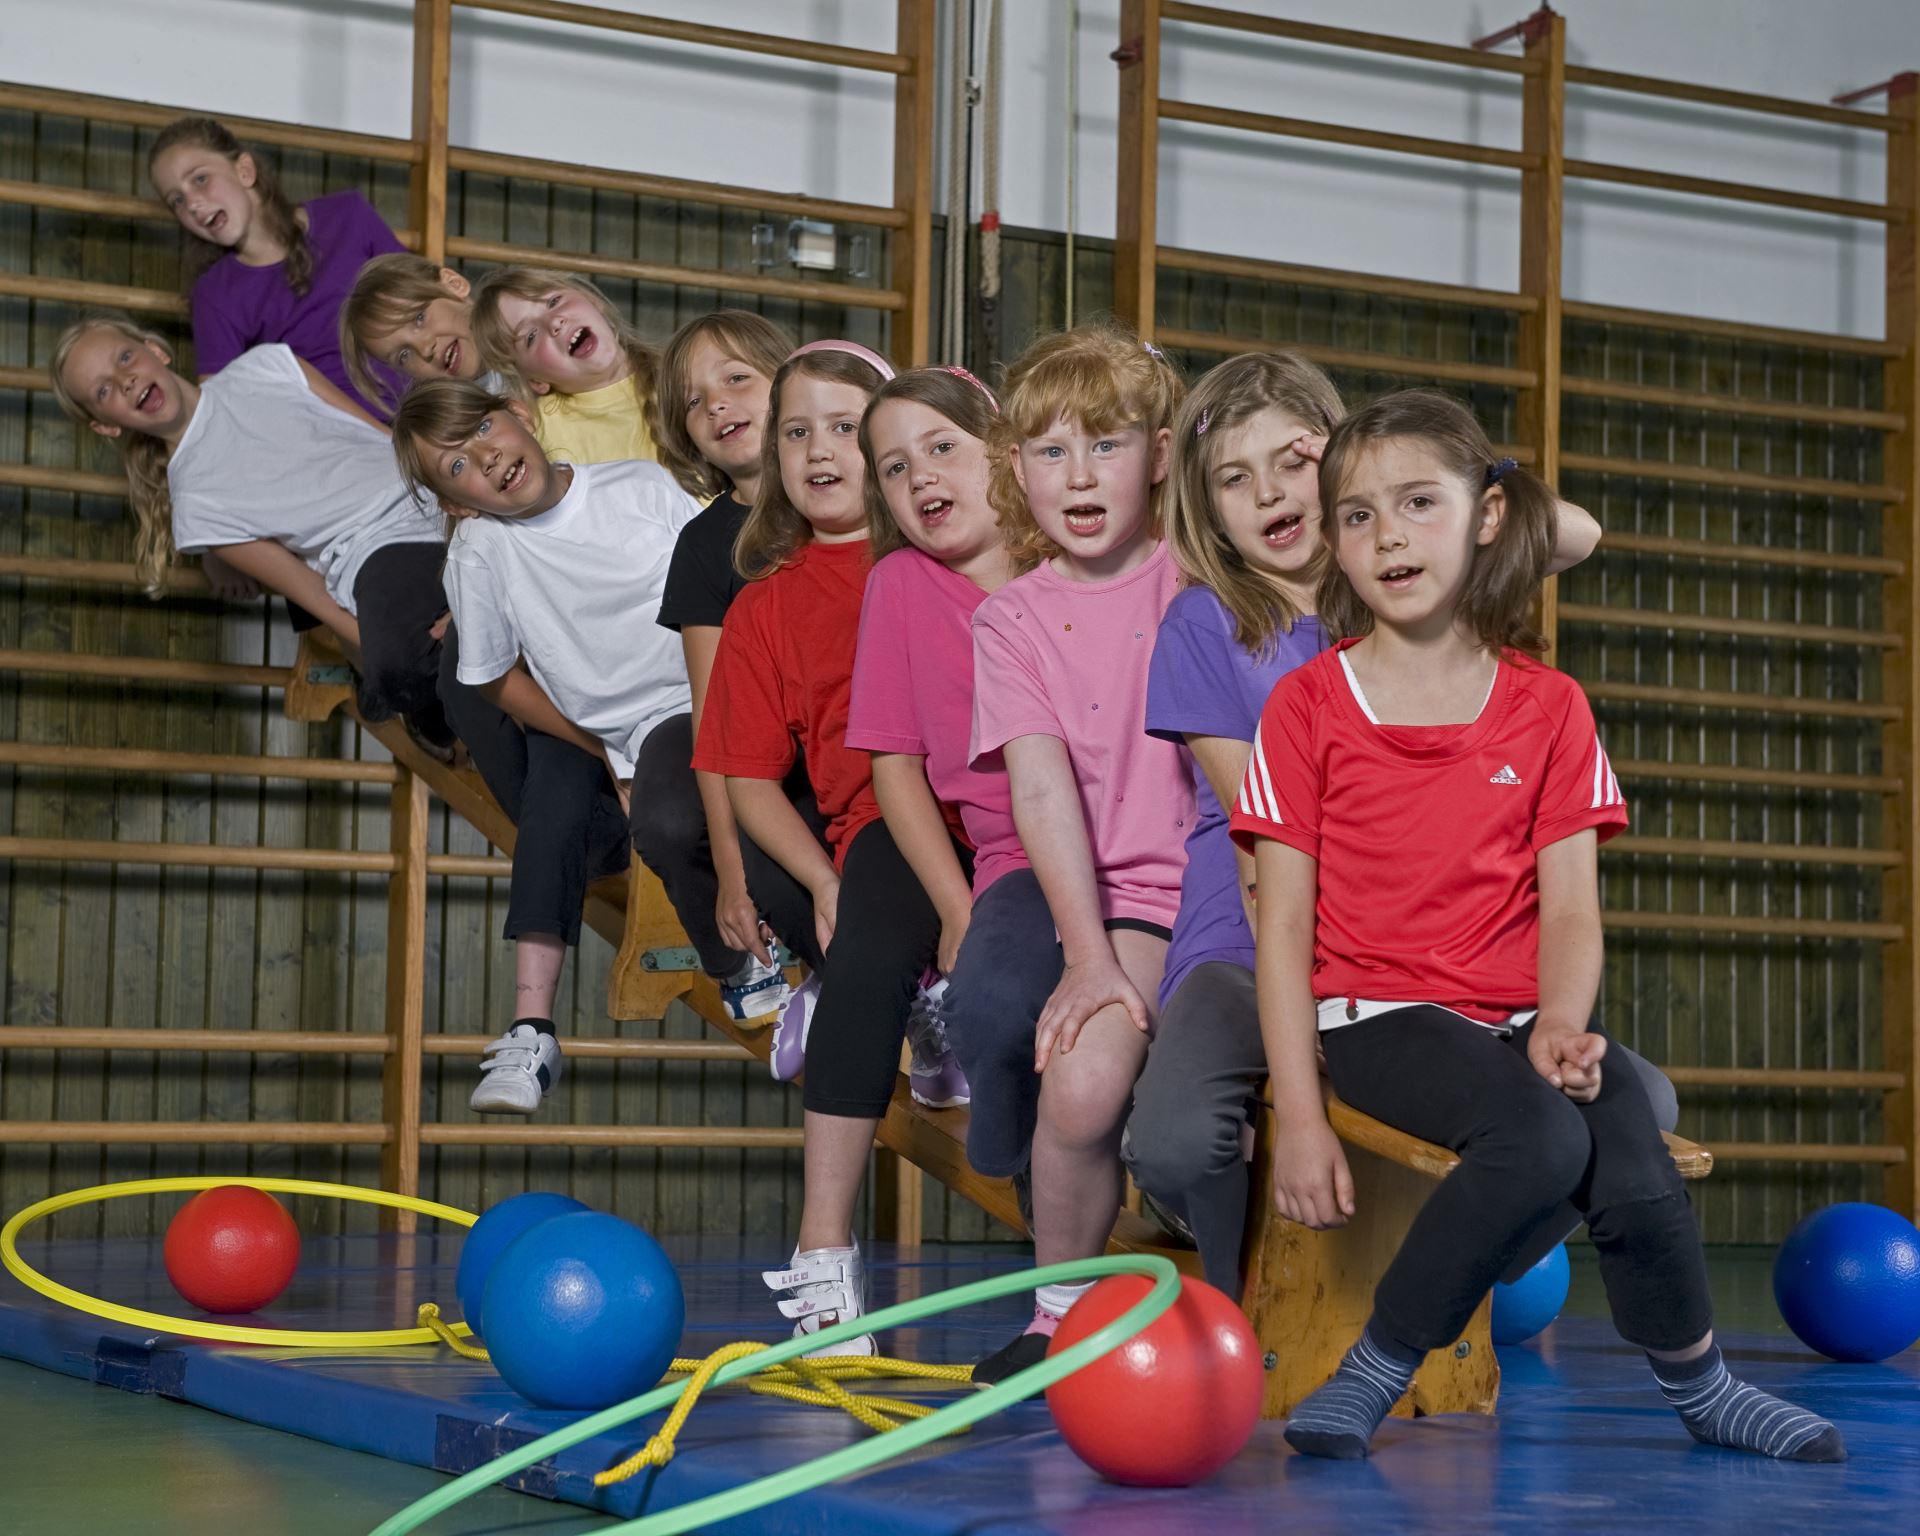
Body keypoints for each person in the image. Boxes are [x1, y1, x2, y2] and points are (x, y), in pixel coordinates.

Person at [1232, 388, 1843, 1464]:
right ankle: (1378, 1364)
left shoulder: (1549, 706)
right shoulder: (1308, 708)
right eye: (1360, 515)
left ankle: (1702, 1386)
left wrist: (1563, 1021)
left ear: (1488, 517)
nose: (1389, 536)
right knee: (1544, 1135)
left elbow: (1569, 904)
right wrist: (1298, 1111)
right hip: (1379, 1013)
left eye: (1420, 502)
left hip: (1521, 1017)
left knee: (1622, 1134)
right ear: (1333, 541)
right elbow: (1279, 928)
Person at [1126, 350, 1668, 1295]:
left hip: (1416, 963)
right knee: (1173, 1141)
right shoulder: (1207, 624)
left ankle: (1435, 1273)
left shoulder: (1398, 580)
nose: (1270, 493)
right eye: (1235, 478)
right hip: (1251, 944)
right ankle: (1230, 1296)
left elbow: (1572, 531)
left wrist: (1358, 471)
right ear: (1206, 508)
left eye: (1293, 465)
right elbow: (1270, 874)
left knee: (1642, 1105)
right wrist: (1306, 1084)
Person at [388, 378, 799, 1115]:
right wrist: (601, 748)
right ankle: (732, 961)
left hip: (723, 685)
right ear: (455, 504)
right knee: (665, 820)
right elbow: (489, 678)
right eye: (456, 468)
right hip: (651, 728)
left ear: (517, 416)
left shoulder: (639, 486)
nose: (485, 458)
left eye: (484, 430)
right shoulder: (480, 554)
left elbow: (726, 578)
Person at [692, 341, 961, 1355]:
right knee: (864, 956)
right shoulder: (767, 601)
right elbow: (744, 774)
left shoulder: (950, 548)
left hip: (1008, 817)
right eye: (794, 431)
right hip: (882, 829)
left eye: (843, 428)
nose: (815, 451)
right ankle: (822, 1257)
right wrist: (819, 876)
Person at [964, 324, 1193, 1383]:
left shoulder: (1204, 573)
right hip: (1137, 902)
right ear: (1017, 471)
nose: (1080, 473)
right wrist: (1089, 956)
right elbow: (1042, 788)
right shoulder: (1012, 619)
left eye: (1105, 443)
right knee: (1080, 1085)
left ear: (1159, 454)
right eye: (1050, 451)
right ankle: (1055, 1310)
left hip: (1246, 892)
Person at [50, 316, 451, 748]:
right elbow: (314, 595)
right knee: (410, 665)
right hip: (374, 552)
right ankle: (411, 699)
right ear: (106, 425)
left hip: (429, 494)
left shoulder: (267, 364)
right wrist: (392, 658)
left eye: (125, 358)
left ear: (156, 350)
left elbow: (381, 438)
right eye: (104, 390)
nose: (125, 381)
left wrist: (450, 482)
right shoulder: (196, 507)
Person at [653, 310, 805, 1021]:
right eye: (693, 400)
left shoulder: (850, 500)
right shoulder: (702, 544)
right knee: (674, 818)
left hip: (854, 752)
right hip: (760, 763)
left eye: (737, 378)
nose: (715, 403)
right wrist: (733, 876)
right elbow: (717, 717)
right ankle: (752, 961)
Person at [149, 116, 405, 419]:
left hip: (425, 407)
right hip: (334, 442)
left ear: (244, 170)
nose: (192, 204)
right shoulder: (215, 296)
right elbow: (219, 412)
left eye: (200, 179)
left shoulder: (347, 214)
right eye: (176, 200)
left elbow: (421, 298)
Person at [469, 266, 662, 467]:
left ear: (593, 301)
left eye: (554, 301)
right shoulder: (543, 438)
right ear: (536, 381)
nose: (554, 322)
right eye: (531, 336)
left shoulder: (683, 372)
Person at [340, 254, 504, 413]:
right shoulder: (467, 427)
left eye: (419, 317)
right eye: (404, 355)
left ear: (454, 284)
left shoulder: (525, 317)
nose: (425, 349)